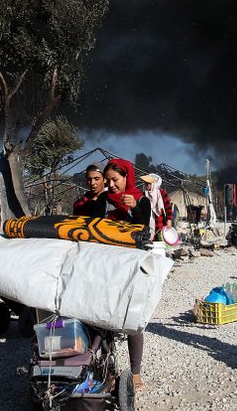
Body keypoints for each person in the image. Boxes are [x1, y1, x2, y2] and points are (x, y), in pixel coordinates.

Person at [88, 158, 150, 391]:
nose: (111, 185)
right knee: (103, 319)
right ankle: (107, 370)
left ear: (127, 178)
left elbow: (145, 228)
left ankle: (135, 372)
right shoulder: (103, 200)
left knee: (133, 318)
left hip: (132, 266)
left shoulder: (142, 200)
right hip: (106, 265)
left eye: (116, 180)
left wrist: (133, 207)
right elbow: (93, 226)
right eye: (109, 180)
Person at [140, 173, 173, 237]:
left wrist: (169, 220)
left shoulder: (161, 193)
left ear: (154, 184)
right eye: (145, 183)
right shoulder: (144, 194)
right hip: (148, 225)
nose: (146, 185)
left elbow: (168, 207)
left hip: (160, 224)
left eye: (148, 183)